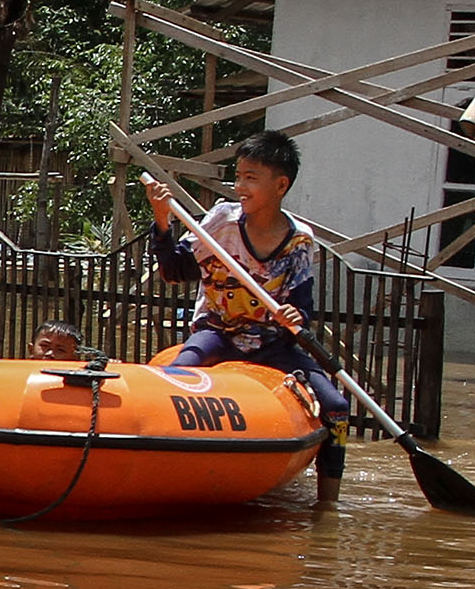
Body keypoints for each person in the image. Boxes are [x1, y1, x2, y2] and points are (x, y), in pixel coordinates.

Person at [138, 128, 349, 434]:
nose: (240, 187)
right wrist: (161, 220)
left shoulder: (299, 240)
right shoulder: (222, 221)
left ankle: (330, 483)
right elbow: (174, 271)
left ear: (280, 185)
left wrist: (294, 315)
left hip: (271, 342)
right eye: (238, 177)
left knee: (337, 407)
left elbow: (302, 309)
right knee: (177, 372)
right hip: (217, 333)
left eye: (251, 178)